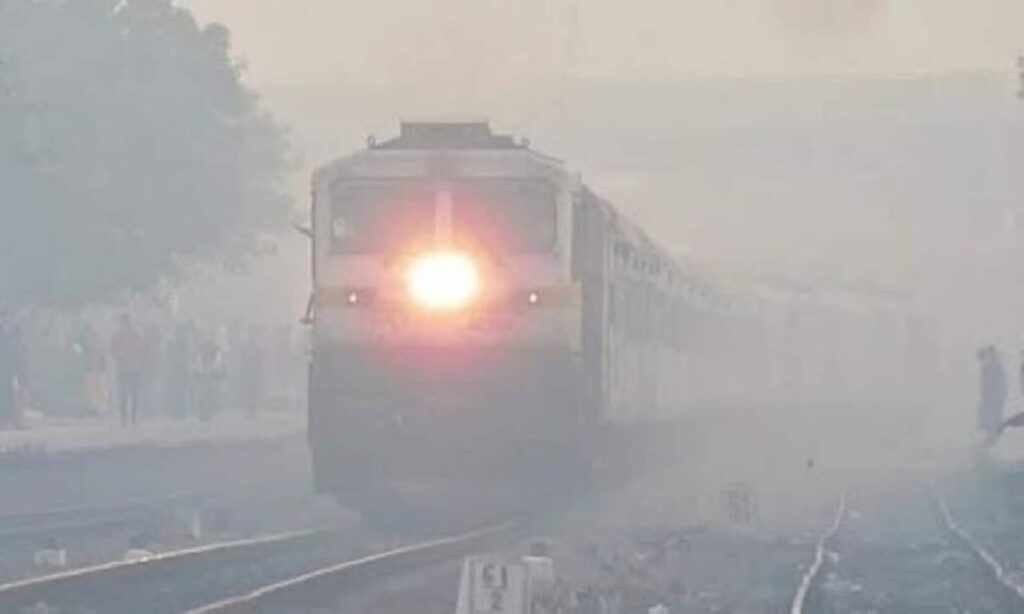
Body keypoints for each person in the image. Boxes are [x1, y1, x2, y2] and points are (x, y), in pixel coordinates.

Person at [111, 313, 146, 426]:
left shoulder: (135, 334)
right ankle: (127, 418)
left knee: (130, 394)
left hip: (129, 368)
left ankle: (130, 418)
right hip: (128, 368)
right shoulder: (133, 334)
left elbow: (142, 349)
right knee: (127, 394)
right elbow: (114, 350)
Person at [978, 346, 1007, 441]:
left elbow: (1000, 383)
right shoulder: (988, 367)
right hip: (990, 397)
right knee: (990, 415)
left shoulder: (995, 367)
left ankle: (994, 436)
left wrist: (999, 395)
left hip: (994, 397)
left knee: (993, 416)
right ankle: (992, 436)